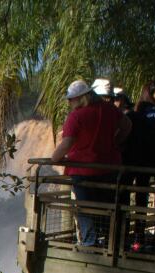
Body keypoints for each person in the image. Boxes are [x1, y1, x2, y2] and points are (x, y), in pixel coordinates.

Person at [51, 79, 132, 247]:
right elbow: (127, 125)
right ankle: (112, 243)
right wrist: (116, 142)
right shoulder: (110, 109)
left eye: (71, 98)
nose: (69, 102)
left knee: (85, 209)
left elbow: (67, 143)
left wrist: (54, 158)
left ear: (81, 97)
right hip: (109, 168)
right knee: (107, 207)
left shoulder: (77, 116)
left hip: (83, 171)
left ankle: (90, 244)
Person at [121, 82, 155, 249]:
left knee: (140, 199)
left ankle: (138, 238)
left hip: (141, 163)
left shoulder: (138, 113)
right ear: (152, 94)